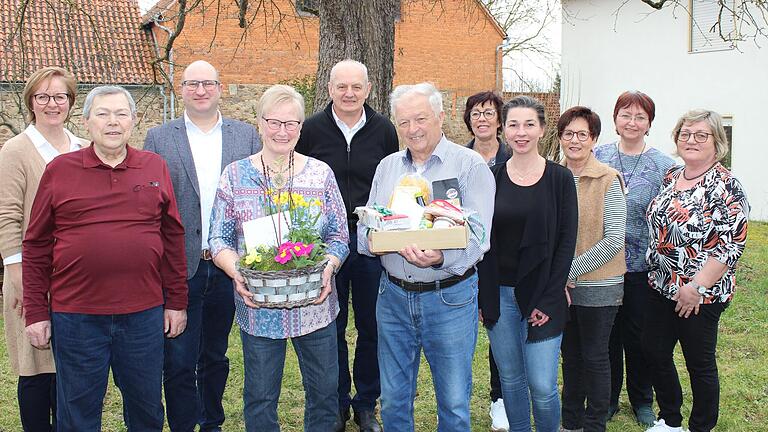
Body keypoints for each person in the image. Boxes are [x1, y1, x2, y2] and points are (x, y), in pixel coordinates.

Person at [22, 85, 188, 431]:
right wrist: (37, 312)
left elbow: (172, 238)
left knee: (146, 409)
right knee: (78, 412)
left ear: (133, 121)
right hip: (77, 316)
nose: (112, 123)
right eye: (102, 114)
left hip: (143, 315)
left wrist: (176, 302)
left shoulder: (153, 167)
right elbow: (36, 245)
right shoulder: (60, 170)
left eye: (120, 114)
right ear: (85, 123)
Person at [208, 84, 349, 432]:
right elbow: (218, 238)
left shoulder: (320, 175)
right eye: (274, 122)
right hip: (258, 306)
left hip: (314, 306)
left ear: (301, 128)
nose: (282, 131)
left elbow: (339, 236)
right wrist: (236, 270)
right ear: (259, 124)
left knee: (324, 393)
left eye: (292, 123)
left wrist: (329, 266)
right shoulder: (236, 176)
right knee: (259, 397)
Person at [357, 82, 494, 432]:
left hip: (449, 298)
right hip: (393, 298)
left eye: (421, 118)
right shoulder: (387, 168)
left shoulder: (469, 165)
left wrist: (439, 258)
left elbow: (479, 237)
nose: (413, 129)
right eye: (403, 122)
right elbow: (368, 226)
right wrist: (375, 238)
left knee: (453, 402)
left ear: (440, 116)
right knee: (394, 400)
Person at [143, 60, 261, 432]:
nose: (200, 90)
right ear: (181, 89)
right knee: (178, 356)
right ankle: (182, 424)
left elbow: (261, 198)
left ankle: (212, 421)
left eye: (208, 83)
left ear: (220, 88)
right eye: (192, 83)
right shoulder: (159, 138)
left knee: (216, 355)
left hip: (230, 265)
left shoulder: (247, 137)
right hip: (180, 265)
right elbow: (152, 206)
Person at [296, 59, 398, 432]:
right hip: (326, 244)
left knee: (372, 325)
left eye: (357, 87)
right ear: (329, 89)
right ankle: (337, 401)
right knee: (331, 325)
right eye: (342, 87)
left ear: (368, 89)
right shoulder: (311, 130)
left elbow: (391, 181)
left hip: (372, 241)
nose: (349, 93)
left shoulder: (385, 130)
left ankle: (366, 403)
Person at [643, 109, 749, 432]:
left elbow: (731, 245)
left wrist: (697, 287)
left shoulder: (726, 186)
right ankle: (670, 420)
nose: (691, 140)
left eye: (700, 135)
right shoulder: (671, 176)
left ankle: (700, 426)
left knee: (698, 364)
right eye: (685, 134)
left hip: (701, 295)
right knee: (654, 352)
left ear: (717, 142)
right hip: (661, 286)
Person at [477, 95, 578, 432]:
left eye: (529, 124)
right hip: (500, 294)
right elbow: (482, 243)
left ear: (542, 130)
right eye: (514, 125)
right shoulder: (490, 178)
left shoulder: (560, 179)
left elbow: (566, 243)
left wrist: (550, 298)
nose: (521, 132)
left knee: (542, 385)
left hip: (543, 295)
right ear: (503, 130)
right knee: (511, 381)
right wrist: (484, 296)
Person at [0, 66, 88, 432]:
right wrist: (18, 276)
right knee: (36, 367)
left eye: (60, 96)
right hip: (32, 275)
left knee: (75, 370)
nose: (52, 104)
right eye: (43, 97)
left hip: (80, 278)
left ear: (70, 102)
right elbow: (7, 215)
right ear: (31, 103)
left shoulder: (86, 148)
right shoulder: (16, 150)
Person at [594, 91, 675, 426]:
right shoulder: (596, 156)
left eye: (640, 117)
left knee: (640, 335)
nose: (632, 122)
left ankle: (642, 398)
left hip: (644, 267)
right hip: (601, 264)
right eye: (625, 115)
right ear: (615, 119)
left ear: (649, 123)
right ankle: (609, 397)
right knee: (608, 333)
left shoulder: (664, 165)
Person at [558, 106, 627, 432]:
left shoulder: (608, 179)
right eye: (568, 133)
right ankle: (570, 421)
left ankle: (594, 424)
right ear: (560, 138)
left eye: (582, 134)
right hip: (561, 288)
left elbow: (614, 239)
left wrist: (568, 272)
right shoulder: (552, 177)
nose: (575, 140)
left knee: (595, 357)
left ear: (594, 139)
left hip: (599, 285)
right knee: (570, 357)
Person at [462, 90, 510, 431]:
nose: (482, 118)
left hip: (503, 258)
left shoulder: (513, 158)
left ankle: (501, 399)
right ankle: (457, 399)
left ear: (499, 119)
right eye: (476, 113)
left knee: (499, 329)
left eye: (488, 112)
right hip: (460, 257)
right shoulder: (457, 158)